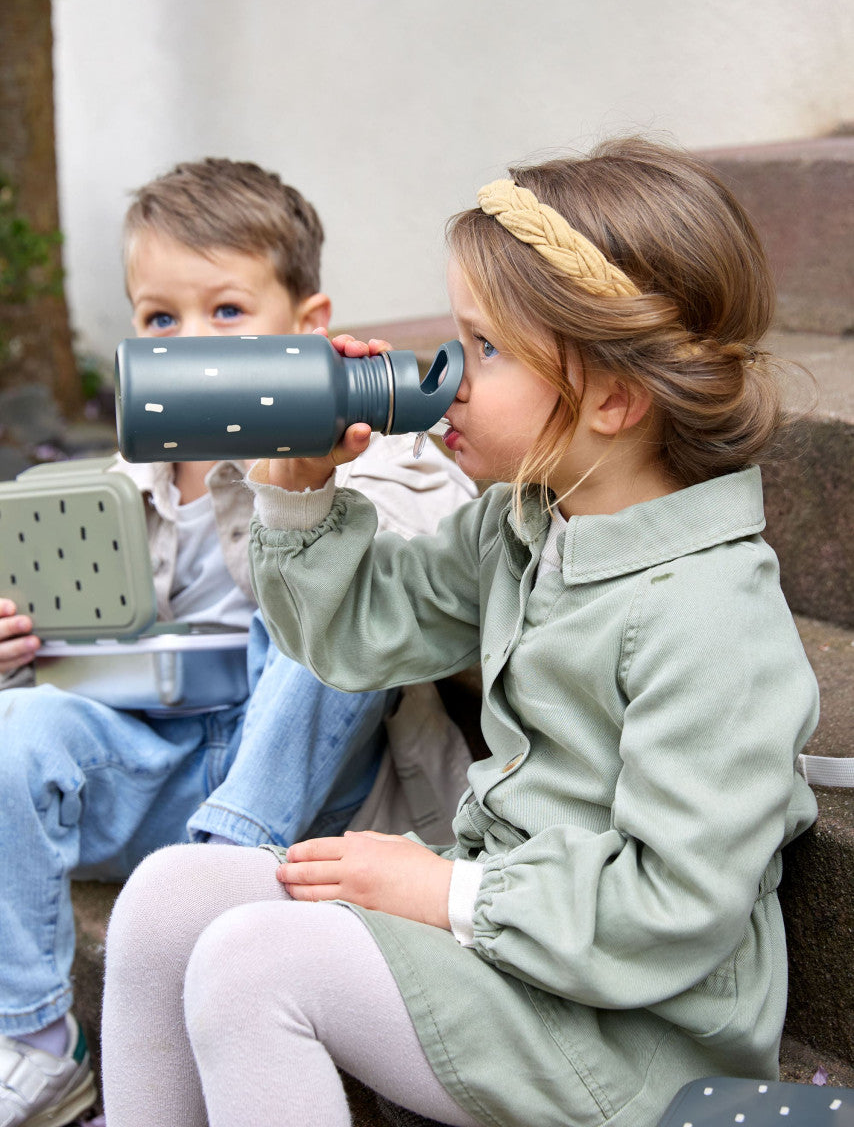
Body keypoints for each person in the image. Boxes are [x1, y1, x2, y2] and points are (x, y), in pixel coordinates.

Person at [101, 138, 820, 1127]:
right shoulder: (525, 522)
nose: (449, 374)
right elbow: (354, 637)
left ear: (611, 397)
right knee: (167, 900)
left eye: (483, 348)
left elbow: (672, 903)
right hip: (507, 944)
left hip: (624, 1029)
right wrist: (302, 487)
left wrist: (442, 889)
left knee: (253, 965)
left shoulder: (707, 615)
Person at [0, 158, 475, 1127]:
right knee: (17, 728)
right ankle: (38, 1037)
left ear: (306, 322)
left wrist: (299, 464)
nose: (188, 342)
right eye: (160, 318)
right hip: (165, 756)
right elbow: (82, 641)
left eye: (226, 311)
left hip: (311, 779)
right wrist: (22, 643)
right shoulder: (122, 478)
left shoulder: (362, 437)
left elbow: (424, 578)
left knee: (324, 604)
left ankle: (223, 864)